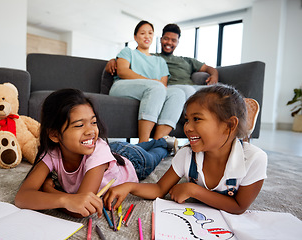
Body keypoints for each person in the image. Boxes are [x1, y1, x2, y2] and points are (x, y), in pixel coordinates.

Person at [104, 84, 268, 215]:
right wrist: (129, 186)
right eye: (187, 120)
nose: (187, 128)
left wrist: (193, 190)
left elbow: (239, 206)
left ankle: (244, 130)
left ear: (230, 124)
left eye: (197, 119)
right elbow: (159, 189)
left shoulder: (254, 159)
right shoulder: (187, 153)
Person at [14, 88, 170, 218]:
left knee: (156, 155)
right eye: (79, 125)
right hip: (111, 151)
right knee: (141, 147)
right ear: (54, 135)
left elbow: (80, 211)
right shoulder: (52, 153)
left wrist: (50, 191)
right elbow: (22, 197)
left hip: (134, 162)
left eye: (93, 122)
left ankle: (164, 142)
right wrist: (64, 199)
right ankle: (157, 143)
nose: (91, 131)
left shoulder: (98, 151)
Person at [108, 20, 185, 143]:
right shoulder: (128, 52)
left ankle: (156, 143)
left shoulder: (160, 61)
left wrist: (154, 84)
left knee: (178, 93)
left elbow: (163, 85)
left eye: (150, 33)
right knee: (156, 86)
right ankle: (143, 143)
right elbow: (122, 71)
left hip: (152, 91)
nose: (147, 36)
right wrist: (151, 81)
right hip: (122, 87)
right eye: (143, 33)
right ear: (135, 37)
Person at [106, 23, 219, 100]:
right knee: (189, 91)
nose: (169, 42)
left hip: (192, 88)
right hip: (171, 89)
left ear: (178, 42)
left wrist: (214, 75)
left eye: (173, 40)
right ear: (160, 39)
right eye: (166, 38)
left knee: (220, 91)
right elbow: (135, 58)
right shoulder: (153, 58)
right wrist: (113, 60)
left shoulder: (186, 61)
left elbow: (209, 68)